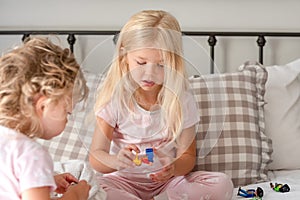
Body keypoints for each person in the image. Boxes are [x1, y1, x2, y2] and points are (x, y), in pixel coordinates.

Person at [89, 10, 234, 200]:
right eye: (141, 62)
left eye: (161, 65)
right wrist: (116, 161)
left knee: (222, 184)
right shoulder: (114, 99)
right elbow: (96, 156)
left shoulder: (182, 100)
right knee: (95, 189)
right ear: (124, 57)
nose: (150, 73)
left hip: (167, 184)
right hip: (122, 181)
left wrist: (173, 167)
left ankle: (163, 197)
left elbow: (188, 157)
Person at [0, 37, 91, 200]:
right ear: (43, 106)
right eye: (66, 112)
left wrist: (45, 182)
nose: (67, 120)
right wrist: (76, 195)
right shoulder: (32, 154)